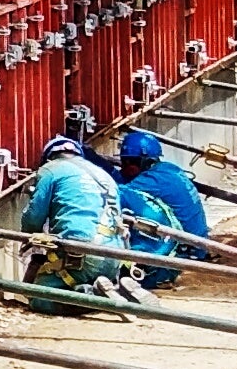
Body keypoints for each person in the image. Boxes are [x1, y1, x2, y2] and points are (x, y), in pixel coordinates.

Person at [18, 130, 134, 301]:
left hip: (82, 255)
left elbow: (34, 217)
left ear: (49, 157)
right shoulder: (103, 174)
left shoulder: (50, 169)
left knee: (39, 299)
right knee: (83, 276)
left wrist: (27, 236)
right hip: (116, 255)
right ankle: (115, 290)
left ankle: (91, 295)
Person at [112, 125, 210, 256]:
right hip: (198, 243)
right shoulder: (169, 168)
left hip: (185, 252)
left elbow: (113, 191)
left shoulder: (151, 180)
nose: (124, 168)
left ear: (143, 162)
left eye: (127, 163)